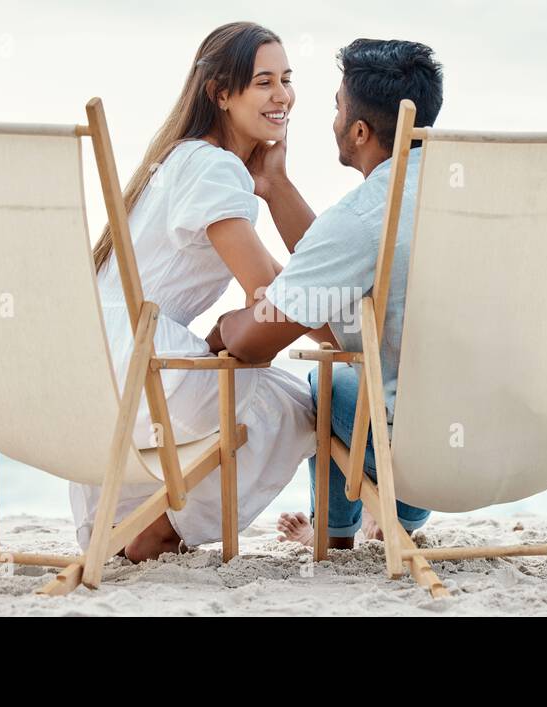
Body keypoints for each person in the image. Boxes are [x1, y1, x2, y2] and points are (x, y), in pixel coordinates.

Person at [69, 22, 322, 562]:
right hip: (137, 367)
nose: (282, 96)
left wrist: (271, 183)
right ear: (221, 94)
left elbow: (275, 283)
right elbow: (273, 296)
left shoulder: (180, 158)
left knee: (248, 391)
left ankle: (124, 527)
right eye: (263, 82)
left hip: (89, 365)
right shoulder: (213, 167)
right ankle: (161, 530)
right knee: (292, 406)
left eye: (287, 79)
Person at [205, 38, 445, 549]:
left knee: (330, 379)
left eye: (337, 108)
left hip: (421, 459)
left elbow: (253, 342)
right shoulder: (477, 192)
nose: (332, 118)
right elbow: (339, 274)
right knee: (356, 361)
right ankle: (386, 518)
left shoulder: (365, 216)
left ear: (359, 131)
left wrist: (224, 326)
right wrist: (274, 187)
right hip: (513, 444)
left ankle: (335, 535)